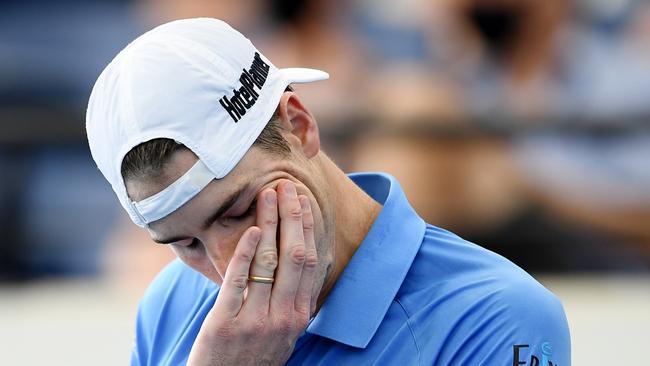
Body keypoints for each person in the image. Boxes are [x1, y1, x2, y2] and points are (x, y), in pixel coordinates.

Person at [86, 18, 570, 365]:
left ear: (297, 125)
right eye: (184, 243)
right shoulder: (171, 297)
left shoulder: (499, 319)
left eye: (237, 209)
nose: (225, 267)